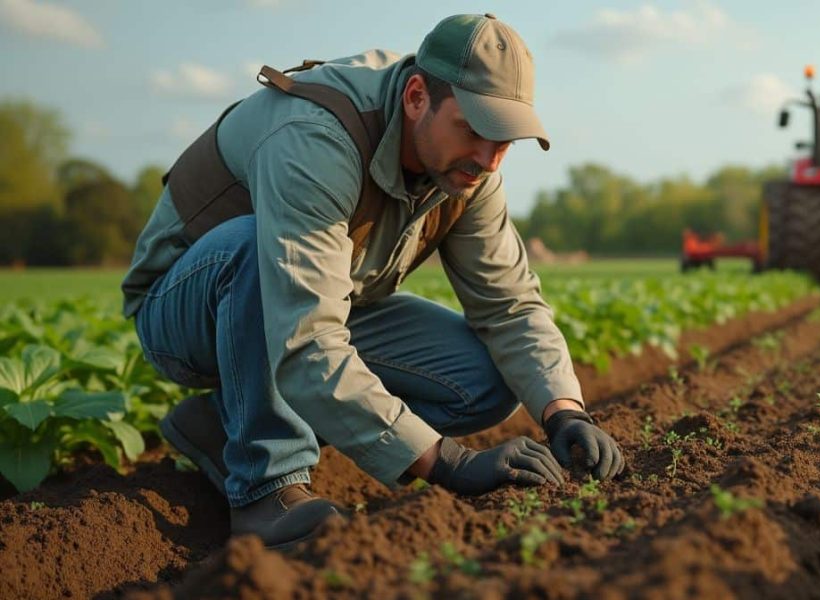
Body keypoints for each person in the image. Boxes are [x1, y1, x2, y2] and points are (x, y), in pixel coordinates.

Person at [122, 13, 624, 550]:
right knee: (253, 244)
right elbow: (307, 338)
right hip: (186, 309)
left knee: (482, 380)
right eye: (474, 129)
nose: (487, 157)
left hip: (319, 302)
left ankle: (224, 423)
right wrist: (447, 462)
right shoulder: (317, 138)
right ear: (415, 97)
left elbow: (510, 304)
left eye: (504, 138)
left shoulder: (469, 172)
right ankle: (263, 487)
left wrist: (563, 413)